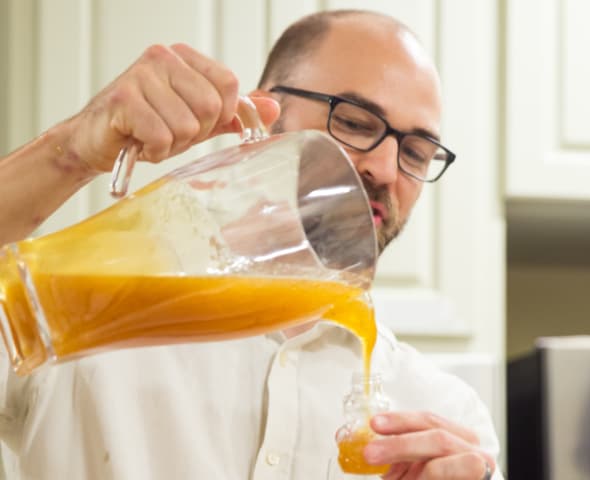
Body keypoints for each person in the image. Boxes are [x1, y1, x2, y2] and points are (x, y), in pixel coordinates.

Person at [0, 9, 503, 480]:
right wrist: (71, 151)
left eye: (416, 151)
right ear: (263, 115)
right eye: (353, 122)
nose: (386, 169)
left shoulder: (447, 420)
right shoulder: (73, 312)